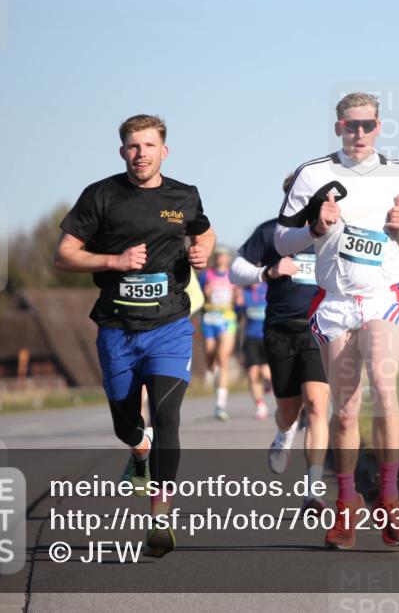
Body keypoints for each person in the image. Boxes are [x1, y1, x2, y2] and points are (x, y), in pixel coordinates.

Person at [54, 114, 215, 558]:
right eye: (132, 146)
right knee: (127, 425)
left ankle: (160, 517)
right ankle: (138, 451)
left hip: (170, 326)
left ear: (165, 151)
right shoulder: (101, 196)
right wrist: (115, 262)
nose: (140, 153)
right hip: (117, 328)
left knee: (167, 416)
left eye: (148, 145)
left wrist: (202, 250)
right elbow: (64, 255)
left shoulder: (184, 195)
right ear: (122, 151)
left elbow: (204, 231)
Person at [274, 92, 399, 549]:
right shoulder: (312, 174)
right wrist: (315, 228)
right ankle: (345, 504)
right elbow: (282, 240)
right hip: (336, 303)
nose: (359, 133)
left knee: (384, 387)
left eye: (367, 125)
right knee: (344, 412)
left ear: (378, 126)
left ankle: (390, 499)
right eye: (350, 125)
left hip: (381, 298)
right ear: (338, 127)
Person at [230, 175, 331, 516]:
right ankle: (283, 433)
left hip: (319, 329)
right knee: (289, 410)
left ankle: (313, 492)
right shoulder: (271, 232)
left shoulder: (333, 233)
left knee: (316, 405)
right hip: (280, 329)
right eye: (298, 195)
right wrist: (268, 272)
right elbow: (236, 270)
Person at [199, 248, 239, 421]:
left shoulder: (233, 275)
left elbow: (239, 299)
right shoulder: (206, 275)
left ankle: (220, 405)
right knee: (210, 355)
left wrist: (238, 299)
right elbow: (197, 297)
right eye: (218, 254)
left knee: (223, 358)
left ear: (228, 258)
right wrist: (205, 294)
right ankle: (212, 369)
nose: (221, 257)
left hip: (227, 318)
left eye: (224, 254)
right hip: (209, 318)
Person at [238, 281, 272, 420]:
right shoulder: (243, 292)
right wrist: (238, 304)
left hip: (268, 337)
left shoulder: (268, 288)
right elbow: (236, 312)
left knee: (265, 372)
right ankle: (260, 405)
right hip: (250, 338)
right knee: (252, 373)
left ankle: (269, 384)